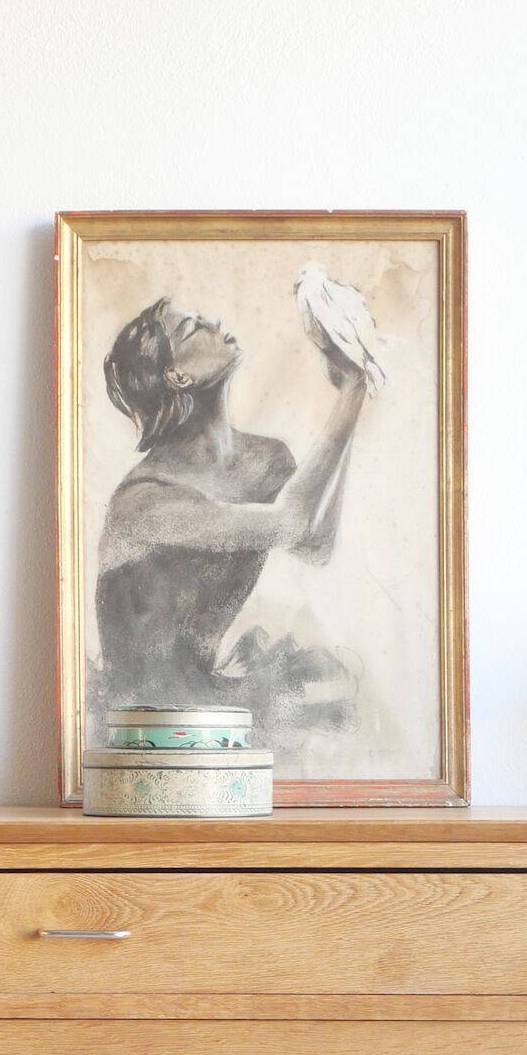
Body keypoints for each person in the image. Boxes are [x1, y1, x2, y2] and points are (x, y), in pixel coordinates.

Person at [92, 296, 370, 740]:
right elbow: (291, 521)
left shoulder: (266, 458)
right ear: (177, 375)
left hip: (209, 697)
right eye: (192, 328)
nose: (214, 321)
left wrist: (353, 395)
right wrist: (352, 391)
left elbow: (314, 542)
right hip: (144, 716)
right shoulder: (144, 499)